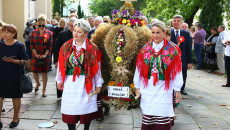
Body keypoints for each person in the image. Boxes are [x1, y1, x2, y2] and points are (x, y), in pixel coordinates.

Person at [56, 19, 103, 130]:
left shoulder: (92, 48)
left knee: (86, 111)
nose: (75, 33)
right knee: (70, 112)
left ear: (86, 33)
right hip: (70, 82)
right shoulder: (66, 46)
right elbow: (61, 66)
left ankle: (86, 128)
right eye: (74, 30)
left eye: (79, 32)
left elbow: (97, 68)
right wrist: (59, 80)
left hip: (85, 82)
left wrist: (98, 84)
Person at [134, 21, 183, 130]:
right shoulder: (145, 48)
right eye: (153, 32)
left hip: (164, 87)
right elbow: (139, 68)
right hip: (148, 86)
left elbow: (177, 71)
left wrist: (178, 89)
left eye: (158, 33)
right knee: (148, 113)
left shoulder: (172, 49)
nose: (155, 36)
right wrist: (137, 87)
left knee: (162, 114)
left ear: (164, 32)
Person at [0, 24, 29, 128]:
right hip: (1, 75)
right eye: (3, 32)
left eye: (7, 32)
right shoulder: (0, 44)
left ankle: (15, 118)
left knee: (15, 98)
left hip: (15, 76)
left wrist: (13, 61)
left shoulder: (19, 46)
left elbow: (26, 61)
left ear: (14, 34)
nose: (4, 34)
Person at [53, 17, 77, 98]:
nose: (73, 28)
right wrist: (56, 60)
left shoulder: (79, 34)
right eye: (71, 26)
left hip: (76, 61)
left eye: (74, 26)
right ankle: (61, 93)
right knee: (61, 77)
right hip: (63, 60)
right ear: (68, 25)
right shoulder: (62, 34)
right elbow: (56, 48)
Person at [30, 14, 53, 97]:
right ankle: (37, 83)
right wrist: (36, 54)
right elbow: (31, 44)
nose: (41, 27)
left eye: (43, 25)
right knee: (34, 72)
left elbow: (50, 46)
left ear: (45, 24)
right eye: (39, 25)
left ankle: (44, 90)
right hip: (35, 55)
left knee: (44, 73)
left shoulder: (49, 33)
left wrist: (45, 55)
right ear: (37, 25)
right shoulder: (33, 33)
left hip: (45, 56)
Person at [170, 15, 192, 95]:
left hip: (182, 59)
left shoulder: (186, 34)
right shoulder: (168, 32)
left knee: (183, 74)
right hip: (170, 58)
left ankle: (182, 89)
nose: (176, 22)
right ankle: (171, 88)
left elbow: (188, 48)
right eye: (174, 20)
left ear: (181, 22)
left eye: (178, 21)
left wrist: (189, 62)